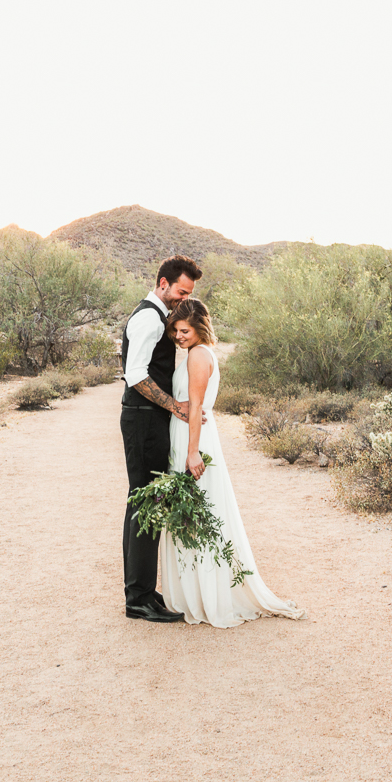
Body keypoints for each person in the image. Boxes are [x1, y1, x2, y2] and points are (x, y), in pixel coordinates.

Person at [159, 298, 304, 627]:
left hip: (192, 439)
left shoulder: (197, 355)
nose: (179, 336)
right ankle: (199, 592)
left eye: (184, 330)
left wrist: (191, 452)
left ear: (199, 328)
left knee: (197, 516)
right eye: (175, 331)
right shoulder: (201, 352)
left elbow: (195, 407)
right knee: (198, 515)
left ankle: (204, 596)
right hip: (192, 435)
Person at [119, 255, 202, 623]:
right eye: (180, 292)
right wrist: (175, 406)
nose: (182, 300)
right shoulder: (147, 318)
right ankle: (136, 598)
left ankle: (144, 591)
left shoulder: (158, 316)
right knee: (142, 504)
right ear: (163, 283)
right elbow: (135, 374)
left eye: (188, 294)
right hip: (142, 420)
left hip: (149, 420)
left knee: (148, 504)